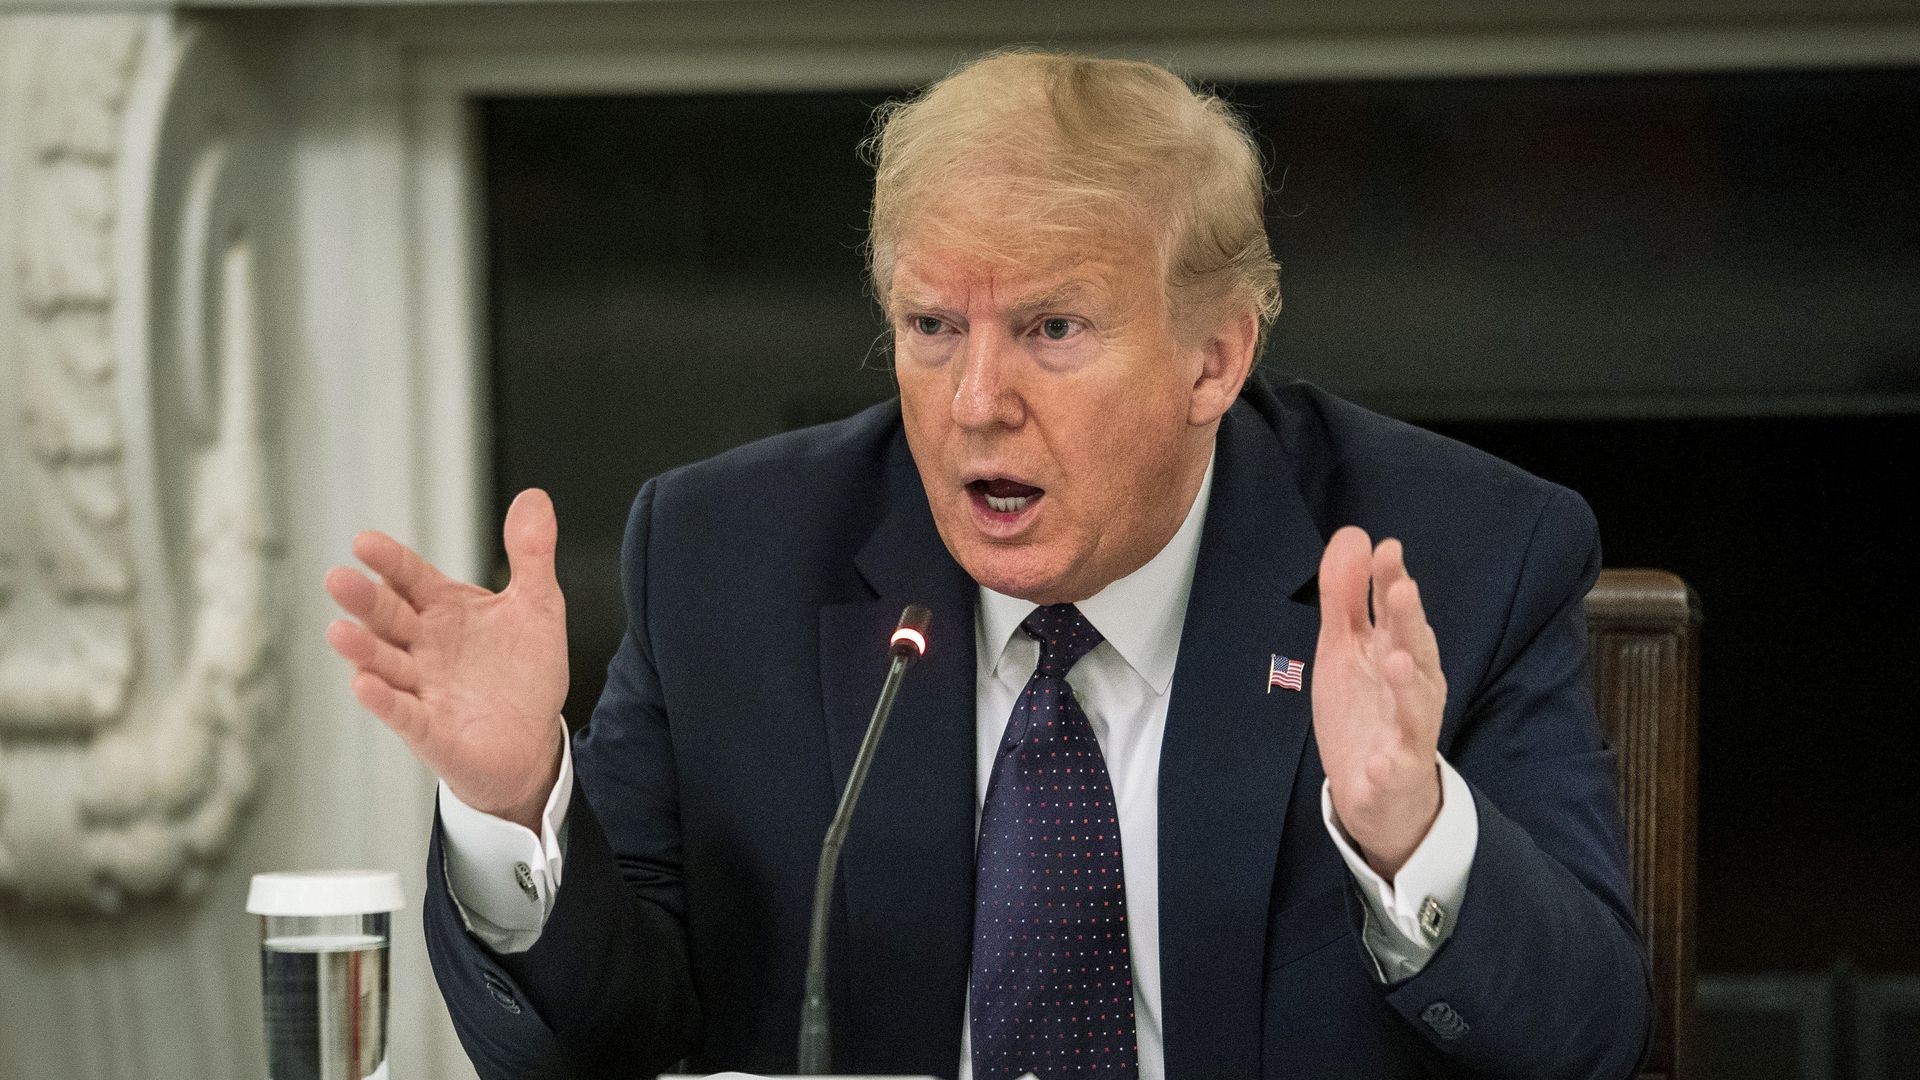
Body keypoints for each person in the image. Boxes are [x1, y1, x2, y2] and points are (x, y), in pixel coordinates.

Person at [325, 50, 1651, 1080]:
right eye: (928, 325)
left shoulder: (1462, 560)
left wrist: (1407, 829)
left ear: (1214, 358)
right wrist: (513, 806)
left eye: (1051, 328)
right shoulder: (727, 562)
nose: (974, 401)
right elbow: (592, 1052)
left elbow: (1588, 1043)